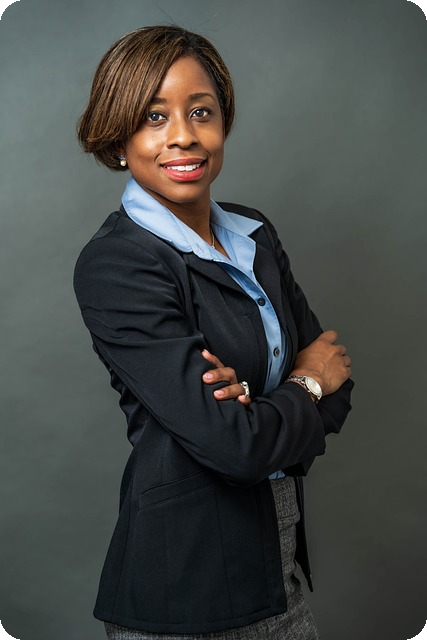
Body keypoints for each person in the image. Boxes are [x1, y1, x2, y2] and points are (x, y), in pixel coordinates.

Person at [73, 24, 353, 640]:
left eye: (201, 111)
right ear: (119, 138)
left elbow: (340, 380)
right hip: (185, 588)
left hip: (279, 565)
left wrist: (261, 411)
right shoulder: (118, 264)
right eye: (154, 117)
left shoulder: (254, 234)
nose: (184, 135)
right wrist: (303, 385)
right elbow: (239, 444)